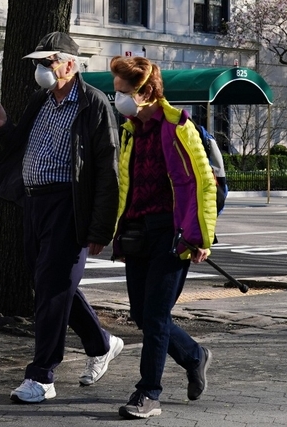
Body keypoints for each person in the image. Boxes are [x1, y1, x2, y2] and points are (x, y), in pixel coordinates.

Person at [0, 32, 123, 404]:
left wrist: (100, 228)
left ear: (70, 64)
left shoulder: (93, 104)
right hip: (35, 205)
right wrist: (2, 127)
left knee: (52, 289)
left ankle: (42, 376)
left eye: (48, 61)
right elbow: (19, 145)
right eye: (39, 62)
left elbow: (108, 170)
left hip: (68, 206)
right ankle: (101, 343)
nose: (42, 68)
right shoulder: (40, 100)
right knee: (50, 284)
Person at [109, 55, 218, 419]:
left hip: (172, 234)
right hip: (138, 233)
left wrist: (200, 237)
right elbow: (126, 185)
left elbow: (203, 184)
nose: (118, 98)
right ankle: (194, 355)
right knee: (142, 315)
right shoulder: (130, 131)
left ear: (146, 91)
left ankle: (148, 393)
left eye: (123, 91)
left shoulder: (178, 127)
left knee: (156, 316)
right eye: (116, 91)